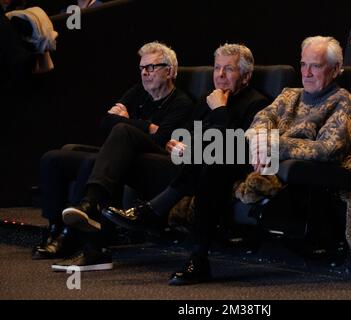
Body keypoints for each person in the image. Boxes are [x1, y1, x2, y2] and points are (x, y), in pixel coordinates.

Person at [102, 43, 269, 284]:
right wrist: (176, 144)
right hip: (195, 165)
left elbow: (239, 147)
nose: (220, 76)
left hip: (231, 165)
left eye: (229, 70)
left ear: (246, 75)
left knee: (212, 163)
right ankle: (101, 236)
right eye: (217, 68)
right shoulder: (206, 100)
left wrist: (220, 110)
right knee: (144, 159)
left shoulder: (257, 103)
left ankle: (161, 223)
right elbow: (185, 135)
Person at [33, 42, 193, 269]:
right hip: (120, 153)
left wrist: (126, 122)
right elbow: (105, 122)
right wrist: (148, 126)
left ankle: (81, 231)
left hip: (155, 162)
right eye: (141, 68)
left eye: (151, 67)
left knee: (113, 140)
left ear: (169, 71)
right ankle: (55, 230)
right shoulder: (138, 91)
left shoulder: (182, 103)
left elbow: (162, 139)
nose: (144, 73)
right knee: (54, 158)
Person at [242, 36, 351, 260]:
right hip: (274, 162)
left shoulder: (343, 102)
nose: (306, 73)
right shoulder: (290, 95)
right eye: (303, 64)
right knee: (216, 159)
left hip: (317, 173)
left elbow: (328, 149)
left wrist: (273, 146)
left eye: (315, 66)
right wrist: (260, 142)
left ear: (336, 69)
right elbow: (263, 117)